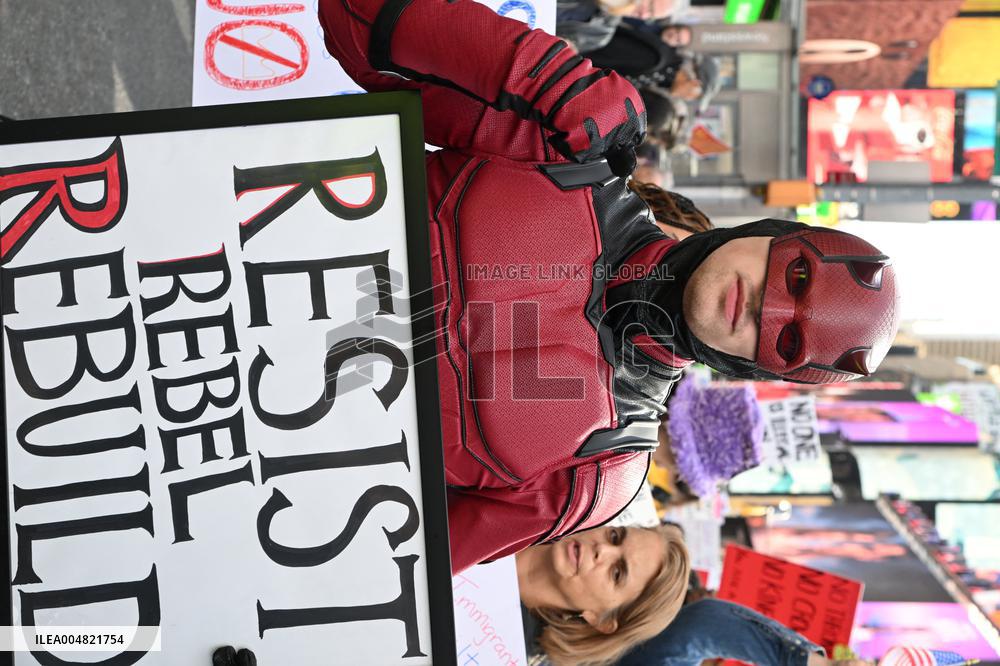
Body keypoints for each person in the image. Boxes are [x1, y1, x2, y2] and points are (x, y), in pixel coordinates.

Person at [318, 0, 902, 574]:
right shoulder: (573, 143)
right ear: (775, 233)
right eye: (795, 276)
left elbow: (386, 574)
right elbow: (356, 22)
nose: (765, 305)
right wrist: (538, 73)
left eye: (788, 339)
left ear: (765, 370)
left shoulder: (603, 474)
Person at [517, 524, 690, 665]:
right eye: (614, 537)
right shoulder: (521, 501)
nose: (602, 548)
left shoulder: (509, 652)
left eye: (617, 573)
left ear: (603, 622)